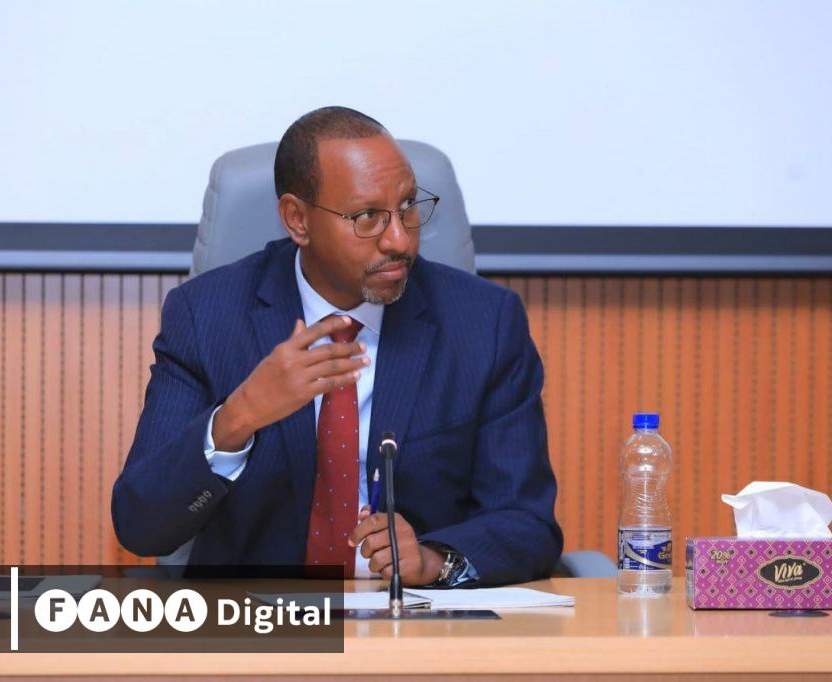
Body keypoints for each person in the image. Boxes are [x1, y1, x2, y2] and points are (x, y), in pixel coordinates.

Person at [111, 106, 563, 587]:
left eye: (408, 207)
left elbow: (527, 523)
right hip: (259, 618)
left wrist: (434, 561)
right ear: (297, 220)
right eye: (368, 217)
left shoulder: (482, 323)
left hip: (415, 619)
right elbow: (141, 526)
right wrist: (238, 417)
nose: (399, 240)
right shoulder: (208, 317)